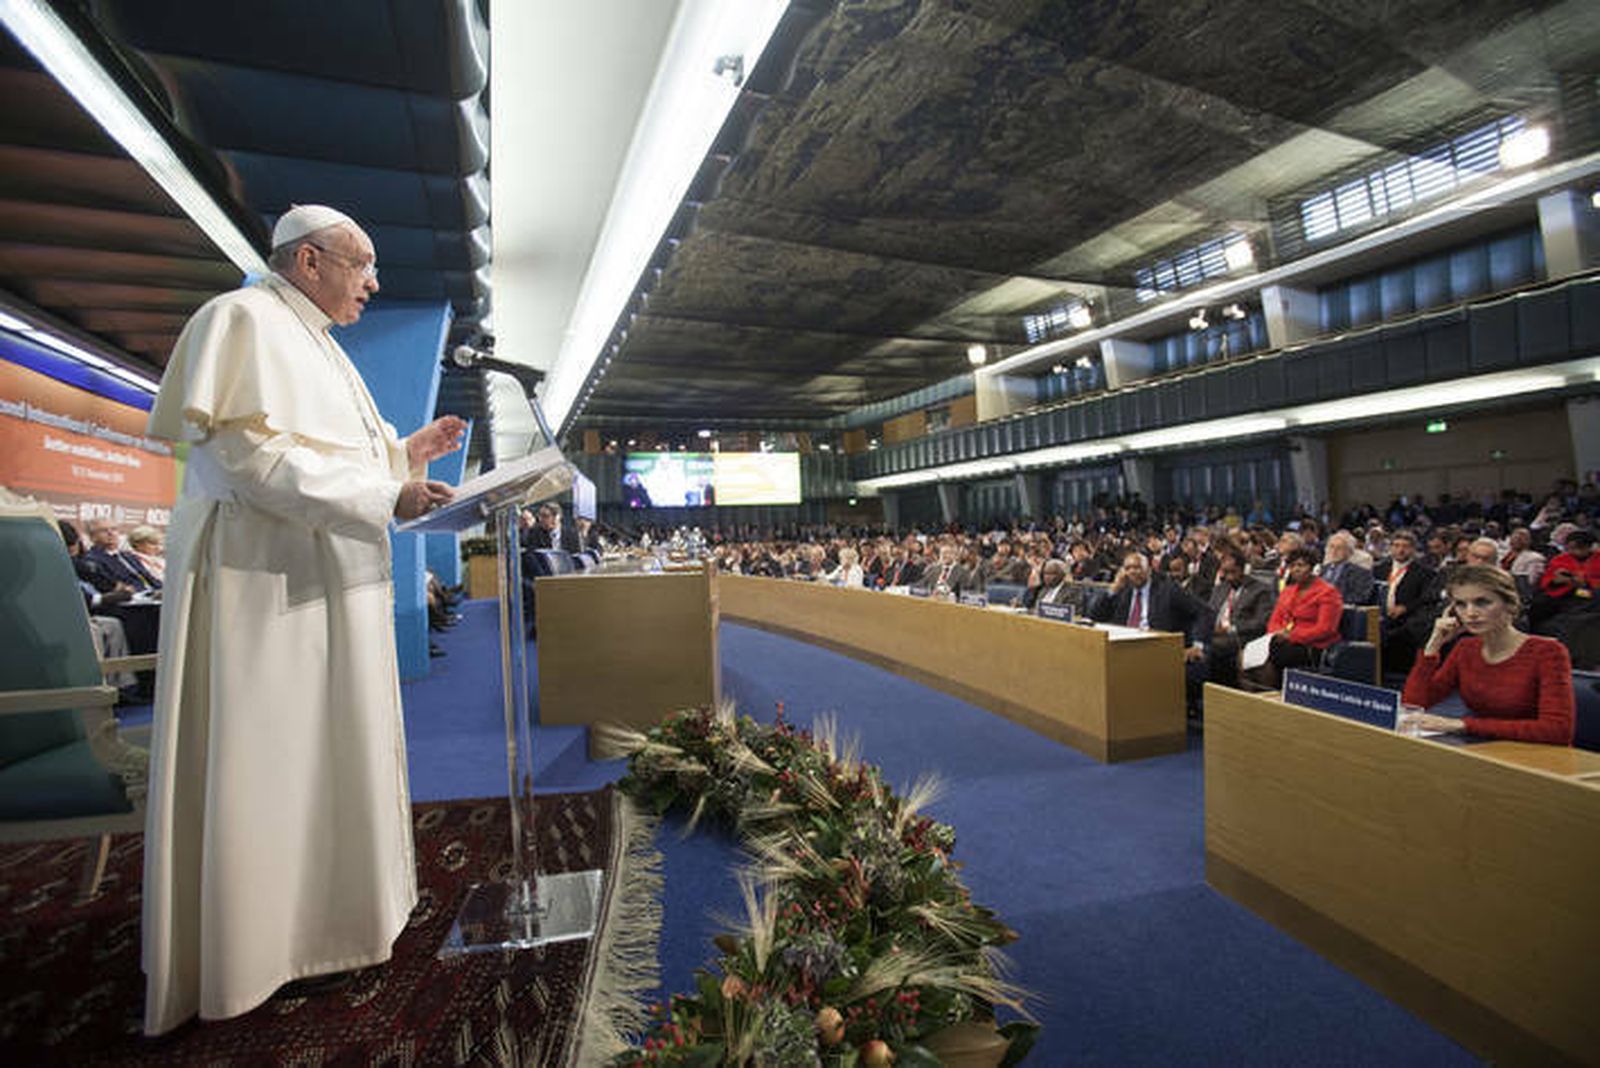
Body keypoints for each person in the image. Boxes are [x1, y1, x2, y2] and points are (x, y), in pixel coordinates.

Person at [140, 204, 465, 1035]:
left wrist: (407, 453)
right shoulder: (241, 320)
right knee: (280, 760)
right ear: (310, 260)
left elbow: (332, 457)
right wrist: (385, 494)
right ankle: (270, 947)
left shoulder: (317, 343)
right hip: (266, 590)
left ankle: (346, 923)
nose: (374, 283)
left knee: (337, 748)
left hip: (327, 580)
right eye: (363, 265)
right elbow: (254, 461)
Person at [1402, 565, 1574, 745]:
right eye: (1461, 604)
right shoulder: (1465, 648)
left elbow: (1557, 731)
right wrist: (1432, 647)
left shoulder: (1548, 652)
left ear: (1509, 604)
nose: (1470, 613)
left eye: (1482, 602)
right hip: (1485, 749)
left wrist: (1462, 725)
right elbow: (1413, 705)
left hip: (1535, 756)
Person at [1252, 547, 1343, 688]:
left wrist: (1291, 636)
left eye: (1301, 565)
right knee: (1248, 653)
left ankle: (1271, 697)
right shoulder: (1288, 591)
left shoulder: (1328, 592)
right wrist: (1276, 633)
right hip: (1283, 640)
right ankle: (1253, 699)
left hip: (1312, 646)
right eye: (1292, 566)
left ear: (1312, 567)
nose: (1296, 569)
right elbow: (1274, 620)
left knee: (1265, 657)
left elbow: (1326, 629)